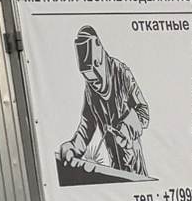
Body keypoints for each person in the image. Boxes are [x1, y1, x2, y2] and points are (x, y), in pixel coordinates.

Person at [56, 25, 151, 183]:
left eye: (95, 77)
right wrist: (73, 147)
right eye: (89, 79)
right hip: (115, 169)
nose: (94, 83)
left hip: (135, 169)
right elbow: (87, 125)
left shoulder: (121, 73)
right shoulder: (90, 89)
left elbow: (143, 112)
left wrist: (127, 127)